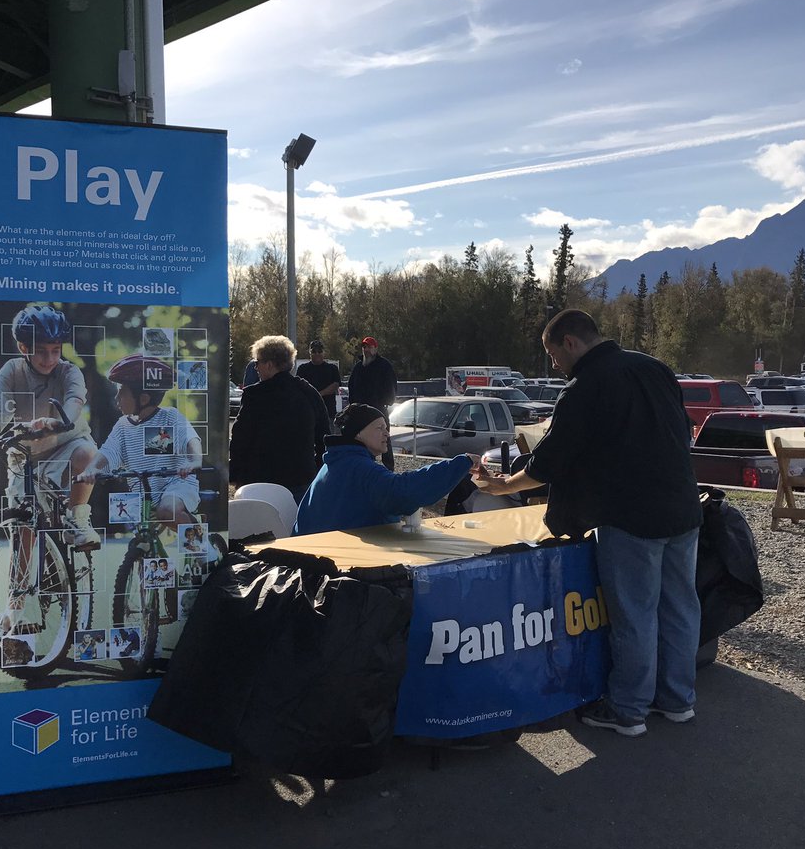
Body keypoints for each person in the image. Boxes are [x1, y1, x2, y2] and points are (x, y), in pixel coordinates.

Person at [475, 309, 702, 738]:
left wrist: (504, 486)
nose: (555, 366)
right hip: (685, 508)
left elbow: (549, 463)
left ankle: (629, 709)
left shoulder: (585, 386)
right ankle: (677, 700)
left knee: (635, 614)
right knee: (680, 608)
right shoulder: (655, 368)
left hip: (630, 516)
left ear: (571, 343)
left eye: (553, 355)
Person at [0, 305, 99, 548]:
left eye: (56, 350)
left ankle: (77, 522)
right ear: (24, 348)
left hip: (66, 443)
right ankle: (18, 586)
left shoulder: (68, 371)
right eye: (41, 351)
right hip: (26, 455)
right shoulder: (11, 370)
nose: (50, 359)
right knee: (23, 538)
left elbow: (75, 400)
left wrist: (61, 420)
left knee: (87, 454)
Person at [294, 404, 480, 535]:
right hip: (334, 570)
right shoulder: (359, 469)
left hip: (311, 557)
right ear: (358, 433)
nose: (387, 433)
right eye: (379, 428)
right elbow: (403, 493)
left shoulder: (336, 462)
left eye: (387, 427)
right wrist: (461, 463)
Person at [77, 355, 203, 525]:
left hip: (176, 486)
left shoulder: (169, 417)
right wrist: (91, 469)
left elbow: (190, 439)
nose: (116, 399)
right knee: (137, 535)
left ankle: (201, 543)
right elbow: (108, 452)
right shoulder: (123, 426)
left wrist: (194, 461)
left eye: (122, 394)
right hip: (143, 493)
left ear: (143, 399)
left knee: (167, 511)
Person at [229, 335, 329, 503]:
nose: (256, 368)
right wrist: (318, 471)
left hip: (261, 481)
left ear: (269, 364)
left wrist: (235, 474)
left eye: (257, 363)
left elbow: (241, 438)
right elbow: (324, 437)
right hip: (301, 478)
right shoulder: (308, 392)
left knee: (262, 528)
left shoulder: (255, 395)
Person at [347, 336, 397, 470]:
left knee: (384, 439)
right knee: (362, 440)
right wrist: (353, 405)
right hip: (361, 411)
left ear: (375, 348)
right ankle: (366, 467)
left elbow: (392, 387)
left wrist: (386, 401)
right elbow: (351, 386)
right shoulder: (358, 367)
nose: (366, 350)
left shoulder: (384, 366)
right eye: (364, 347)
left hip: (379, 410)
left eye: (369, 347)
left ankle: (389, 469)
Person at [295, 339, 341, 420]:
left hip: (328, 412)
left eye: (319, 351)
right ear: (310, 352)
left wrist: (319, 394)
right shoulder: (302, 369)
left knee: (328, 432)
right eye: (314, 351)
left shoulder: (332, 368)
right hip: (308, 412)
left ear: (323, 352)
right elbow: (298, 387)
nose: (317, 354)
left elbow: (335, 385)